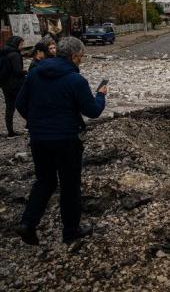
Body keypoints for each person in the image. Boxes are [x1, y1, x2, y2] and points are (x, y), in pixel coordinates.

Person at [15, 37, 107, 245]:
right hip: (66, 139)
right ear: (74, 56)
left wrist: (37, 122)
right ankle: (70, 231)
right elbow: (92, 111)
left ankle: (28, 223)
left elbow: (21, 103)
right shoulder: (76, 80)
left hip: (39, 138)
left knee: (44, 181)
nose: (81, 61)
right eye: (81, 57)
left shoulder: (36, 73)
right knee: (69, 185)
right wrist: (101, 95)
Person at [0, 36, 27, 137]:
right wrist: (26, 71)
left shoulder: (4, 52)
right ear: (16, 44)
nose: (22, 46)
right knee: (24, 104)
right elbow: (17, 71)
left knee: (9, 108)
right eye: (21, 44)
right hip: (15, 85)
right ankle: (31, 125)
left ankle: (10, 131)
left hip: (5, 84)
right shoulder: (15, 55)